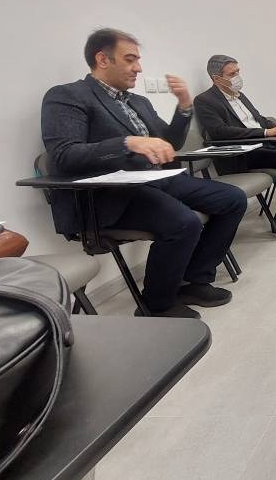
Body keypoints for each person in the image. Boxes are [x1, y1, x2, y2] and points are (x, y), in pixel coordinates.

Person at [41, 29, 247, 318]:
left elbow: (170, 144)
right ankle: (156, 304)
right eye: (130, 59)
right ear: (102, 59)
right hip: (109, 194)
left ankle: (194, 280)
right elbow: (64, 155)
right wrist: (127, 143)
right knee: (183, 223)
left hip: (155, 180)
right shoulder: (67, 96)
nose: (138, 68)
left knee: (233, 199)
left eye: (137, 60)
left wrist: (184, 107)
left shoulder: (138, 102)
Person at [194, 55, 276, 234]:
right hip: (243, 153)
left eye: (238, 71)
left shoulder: (240, 96)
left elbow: (259, 119)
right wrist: (266, 133)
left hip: (263, 146)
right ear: (217, 78)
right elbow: (220, 131)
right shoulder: (205, 100)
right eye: (232, 74)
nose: (238, 77)